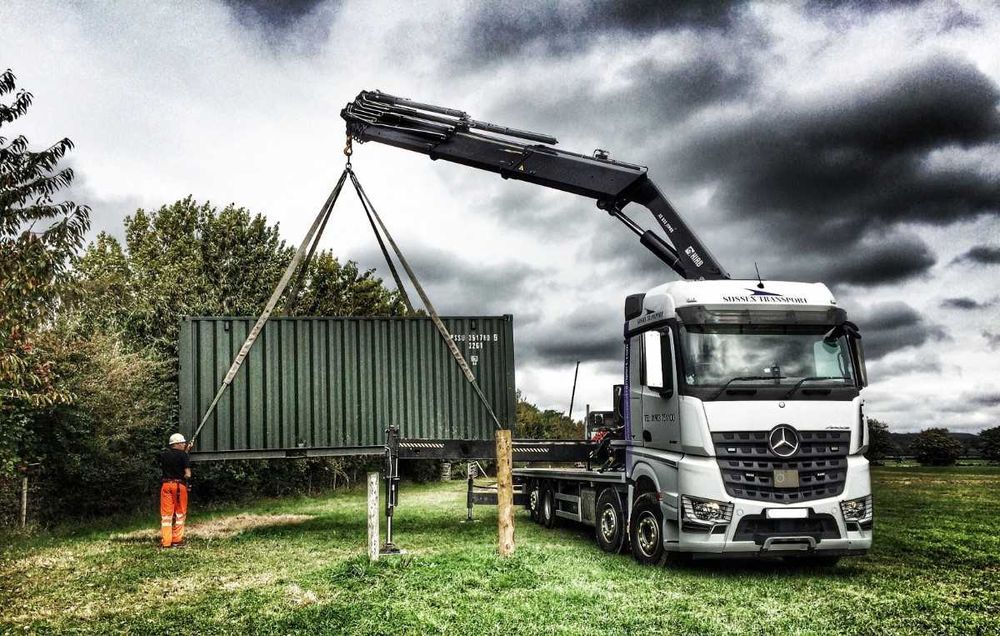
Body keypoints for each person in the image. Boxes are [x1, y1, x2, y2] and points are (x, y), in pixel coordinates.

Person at [159, 433, 192, 548]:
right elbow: (188, 474)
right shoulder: (183, 455)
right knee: (180, 514)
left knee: (166, 516)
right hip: (179, 487)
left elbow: (175, 460)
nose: (184, 444)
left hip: (165, 486)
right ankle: (177, 540)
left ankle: (166, 542)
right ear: (177, 444)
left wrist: (185, 452)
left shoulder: (164, 455)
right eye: (183, 443)